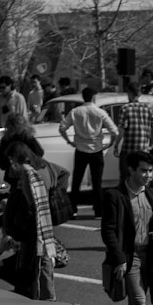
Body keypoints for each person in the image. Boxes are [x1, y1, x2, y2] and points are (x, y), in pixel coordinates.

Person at [100, 151, 153, 305]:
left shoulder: (151, 194)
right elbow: (108, 230)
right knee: (138, 301)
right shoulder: (115, 196)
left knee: (138, 302)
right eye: (144, 171)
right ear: (131, 170)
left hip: (150, 255)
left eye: (150, 171)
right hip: (131, 256)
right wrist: (120, 258)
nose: (148, 175)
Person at [0, 141, 58, 299]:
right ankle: (45, 297)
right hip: (43, 223)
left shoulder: (27, 173)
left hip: (33, 227)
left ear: (19, 157)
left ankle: (41, 299)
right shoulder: (41, 166)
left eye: (12, 160)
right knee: (43, 262)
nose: (11, 165)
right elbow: (63, 173)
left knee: (35, 265)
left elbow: (30, 202)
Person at [59, 86, 119, 217]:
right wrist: (110, 143)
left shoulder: (75, 111)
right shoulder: (100, 112)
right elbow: (114, 131)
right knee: (97, 182)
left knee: (76, 181)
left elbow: (62, 128)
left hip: (80, 149)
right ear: (93, 97)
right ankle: (98, 210)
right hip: (96, 149)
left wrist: (69, 141)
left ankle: (73, 208)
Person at [115, 83, 153, 183]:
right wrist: (152, 144)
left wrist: (116, 145)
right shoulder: (148, 108)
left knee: (125, 178)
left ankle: (126, 197)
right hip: (143, 150)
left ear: (130, 93)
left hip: (128, 150)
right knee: (143, 178)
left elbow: (121, 130)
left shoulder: (125, 108)